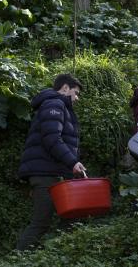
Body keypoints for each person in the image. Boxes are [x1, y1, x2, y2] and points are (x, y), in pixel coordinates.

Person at [16, 74, 87, 250]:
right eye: (75, 93)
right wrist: (73, 162)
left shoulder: (57, 105)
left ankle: (59, 260)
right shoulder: (54, 104)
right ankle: (15, 261)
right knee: (41, 222)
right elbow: (52, 139)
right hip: (44, 174)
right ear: (64, 88)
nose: (77, 98)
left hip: (53, 172)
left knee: (70, 218)